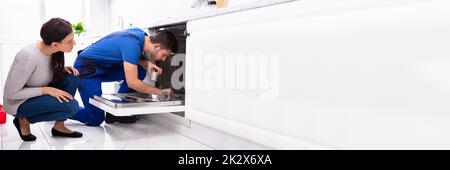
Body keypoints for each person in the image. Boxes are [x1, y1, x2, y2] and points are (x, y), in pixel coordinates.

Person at [71, 28, 177, 126]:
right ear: (157, 46)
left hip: (104, 67)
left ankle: (115, 114)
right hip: (86, 70)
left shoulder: (141, 35)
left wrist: (145, 63)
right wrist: (160, 92)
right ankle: (59, 110)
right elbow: (132, 83)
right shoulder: (132, 45)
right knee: (95, 119)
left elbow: (126, 53)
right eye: (164, 55)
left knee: (140, 71)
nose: (163, 59)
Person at [2, 18, 83, 141]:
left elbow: (42, 69)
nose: (74, 43)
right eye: (70, 41)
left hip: (39, 90)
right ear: (55, 44)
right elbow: (11, 93)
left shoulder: (53, 50)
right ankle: (23, 120)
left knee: (72, 77)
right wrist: (46, 90)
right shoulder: (28, 56)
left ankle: (59, 127)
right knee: (71, 107)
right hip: (19, 102)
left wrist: (60, 69)